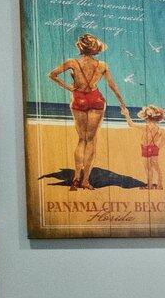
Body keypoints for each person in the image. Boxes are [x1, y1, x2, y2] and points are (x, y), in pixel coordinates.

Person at [46, 33, 131, 192]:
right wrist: (123, 104)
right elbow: (113, 86)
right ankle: (85, 181)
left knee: (81, 140)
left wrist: (69, 88)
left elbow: (52, 75)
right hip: (96, 100)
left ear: (81, 47)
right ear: (95, 48)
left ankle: (76, 178)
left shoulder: (72, 62)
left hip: (78, 99)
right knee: (91, 140)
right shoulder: (102, 65)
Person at [136, 105, 165, 190]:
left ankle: (150, 186)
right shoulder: (158, 128)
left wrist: (127, 115)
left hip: (146, 148)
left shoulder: (146, 127)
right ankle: (159, 185)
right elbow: (164, 141)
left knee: (148, 168)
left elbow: (131, 124)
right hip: (153, 148)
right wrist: (157, 147)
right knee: (155, 167)